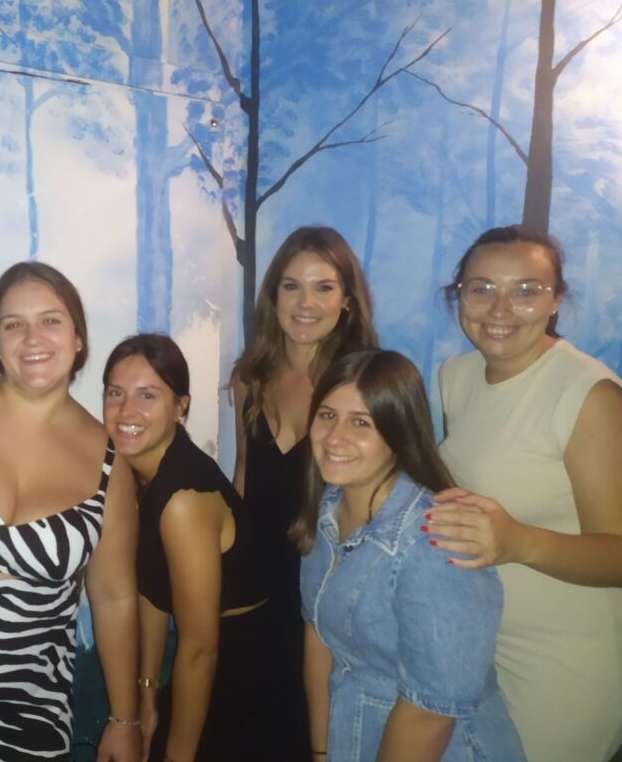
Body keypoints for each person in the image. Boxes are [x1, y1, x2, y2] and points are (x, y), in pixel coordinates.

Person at [0, 262, 141, 762]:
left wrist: (125, 719)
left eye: (51, 320)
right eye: (13, 324)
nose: (33, 338)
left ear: (78, 337)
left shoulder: (110, 462)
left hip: (28, 708)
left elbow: (114, 597)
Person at [428, 225, 622, 762]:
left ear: (556, 300)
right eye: (482, 288)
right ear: (459, 296)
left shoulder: (589, 395)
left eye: (527, 290)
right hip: (476, 644)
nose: (500, 309)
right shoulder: (456, 376)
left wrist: (518, 541)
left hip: (560, 667)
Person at [295, 349, 524, 762]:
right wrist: (321, 750)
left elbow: (430, 713)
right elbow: (319, 635)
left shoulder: (436, 542)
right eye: (327, 415)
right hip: (353, 733)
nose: (334, 437)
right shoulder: (328, 509)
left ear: (398, 432)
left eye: (361, 422)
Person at [229, 226, 376, 759]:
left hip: (323, 595)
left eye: (324, 287)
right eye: (291, 286)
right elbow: (244, 475)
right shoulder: (250, 377)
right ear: (273, 296)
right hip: (256, 593)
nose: (306, 303)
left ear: (347, 300)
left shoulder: (364, 386)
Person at [103, 333, 271, 762]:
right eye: (116, 393)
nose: (127, 411)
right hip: (204, 667)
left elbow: (200, 650)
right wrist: (146, 700)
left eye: (148, 395)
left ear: (181, 405)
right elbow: (153, 594)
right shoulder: (140, 473)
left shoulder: (183, 500)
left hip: (243, 676)